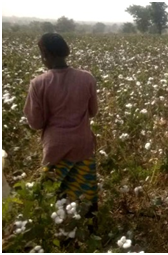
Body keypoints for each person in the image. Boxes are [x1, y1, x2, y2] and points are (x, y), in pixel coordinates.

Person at [23, 33, 99, 222]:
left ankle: (62, 235)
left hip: (55, 148)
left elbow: (36, 123)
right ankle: (88, 228)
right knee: (85, 193)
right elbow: (93, 111)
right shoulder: (87, 78)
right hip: (83, 144)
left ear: (46, 54)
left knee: (54, 196)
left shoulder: (38, 83)